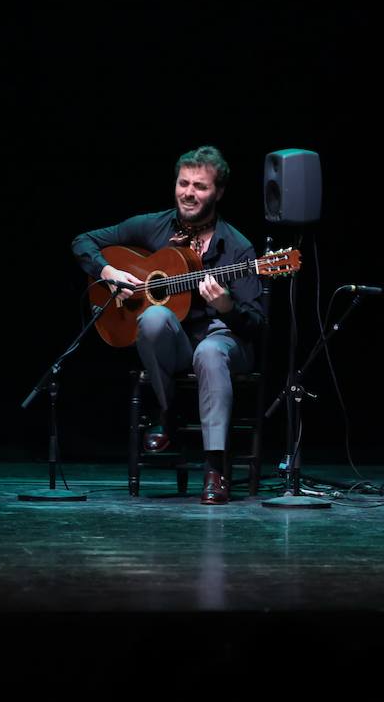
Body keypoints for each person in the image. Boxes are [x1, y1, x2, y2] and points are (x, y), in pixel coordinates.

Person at [71, 146, 264, 505]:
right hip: (173, 347)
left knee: (209, 351)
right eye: (183, 183)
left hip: (222, 342)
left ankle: (215, 468)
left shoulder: (237, 248)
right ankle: (169, 415)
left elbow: (255, 325)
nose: (189, 193)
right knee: (155, 317)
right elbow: (83, 241)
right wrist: (108, 271)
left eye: (200, 186)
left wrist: (226, 307)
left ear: (218, 192)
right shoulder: (153, 225)